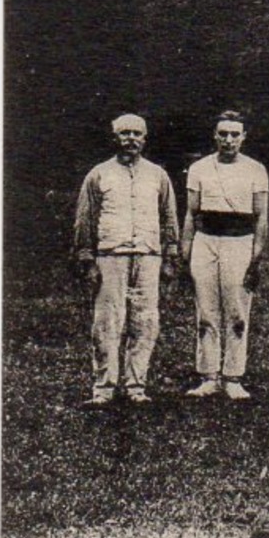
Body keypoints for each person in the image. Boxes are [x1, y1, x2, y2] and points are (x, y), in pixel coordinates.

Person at [71, 113, 180, 406]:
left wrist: (170, 256)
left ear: (145, 139)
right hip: (111, 257)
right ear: (114, 138)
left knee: (144, 322)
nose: (131, 139)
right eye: (125, 133)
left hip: (148, 256)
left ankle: (136, 386)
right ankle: (104, 388)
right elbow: (85, 219)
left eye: (137, 134)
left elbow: (169, 218)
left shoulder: (158, 175)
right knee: (107, 322)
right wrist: (87, 259)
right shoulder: (98, 174)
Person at [182, 110, 269, 401]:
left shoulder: (256, 169)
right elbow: (191, 214)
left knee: (237, 311)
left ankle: (233, 376)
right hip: (206, 241)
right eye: (223, 134)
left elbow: (261, 217)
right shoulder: (199, 168)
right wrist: (186, 253)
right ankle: (209, 376)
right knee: (206, 311)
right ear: (215, 136)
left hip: (239, 242)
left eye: (235, 134)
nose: (229, 140)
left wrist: (256, 257)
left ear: (244, 137)